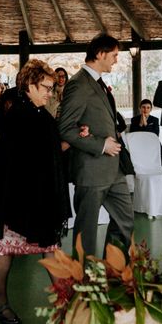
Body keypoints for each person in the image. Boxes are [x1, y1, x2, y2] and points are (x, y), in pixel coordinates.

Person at [0, 59, 71, 324]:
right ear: (29, 85)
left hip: (39, 198)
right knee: (7, 249)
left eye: (52, 89)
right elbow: (13, 163)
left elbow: (48, 153)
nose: (49, 93)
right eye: (46, 87)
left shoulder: (42, 115)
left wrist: (72, 141)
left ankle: (64, 305)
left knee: (50, 249)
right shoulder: (18, 116)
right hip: (17, 199)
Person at [58, 33, 134, 256]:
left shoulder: (99, 84)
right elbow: (66, 128)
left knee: (125, 222)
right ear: (100, 54)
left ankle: (114, 272)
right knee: (86, 233)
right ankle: (85, 283)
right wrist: (101, 145)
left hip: (114, 169)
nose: (116, 60)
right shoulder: (78, 84)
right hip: (91, 170)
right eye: (114, 55)